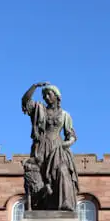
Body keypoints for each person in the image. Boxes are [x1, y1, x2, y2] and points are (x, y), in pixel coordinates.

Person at [21, 82, 79, 211]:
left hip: (57, 149)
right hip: (40, 146)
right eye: (44, 95)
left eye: (49, 94)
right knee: (38, 176)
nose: (46, 97)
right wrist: (35, 86)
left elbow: (72, 136)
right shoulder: (39, 109)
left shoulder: (65, 115)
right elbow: (25, 101)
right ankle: (40, 206)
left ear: (57, 96)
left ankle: (64, 203)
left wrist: (64, 145)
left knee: (62, 171)